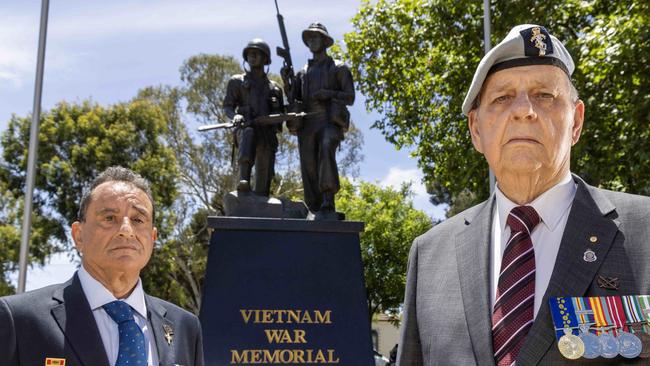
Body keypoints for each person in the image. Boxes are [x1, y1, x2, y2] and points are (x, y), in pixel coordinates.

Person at [397, 24, 650, 365]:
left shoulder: (643, 232)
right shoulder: (430, 256)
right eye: (502, 98)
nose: (523, 110)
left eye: (544, 95)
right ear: (476, 129)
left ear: (576, 122)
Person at [0, 166, 204, 366]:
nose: (126, 230)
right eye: (109, 218)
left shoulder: (185, 327)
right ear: (78, 235)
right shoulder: (18, 319)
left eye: (138, 219)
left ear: (152, 238)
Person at [282, 23, 355, 219]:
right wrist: (287, 82)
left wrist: (328, 94)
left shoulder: (338, 68)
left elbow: (350, 97)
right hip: (307, 123)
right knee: (309, 164)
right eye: (309, 39)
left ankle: (328, 200)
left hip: (329, 120)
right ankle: (314, 208)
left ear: (325, 41)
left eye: (316, 37)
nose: (312, 41)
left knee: (325, 147)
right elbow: (293, 99)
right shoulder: (303, 72)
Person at [223, 38, 284, 196]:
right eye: (249, 53)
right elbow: (228, 106)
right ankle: (244, 180)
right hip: (245, 129)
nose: (252, 56)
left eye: (256, 53)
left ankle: (261, 197)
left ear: (265, 58)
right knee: (249, 133)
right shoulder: (236, 82)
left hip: (266, 134)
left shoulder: (275, 88)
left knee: (263, 183)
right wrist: (235, 116)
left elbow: (281, 117)